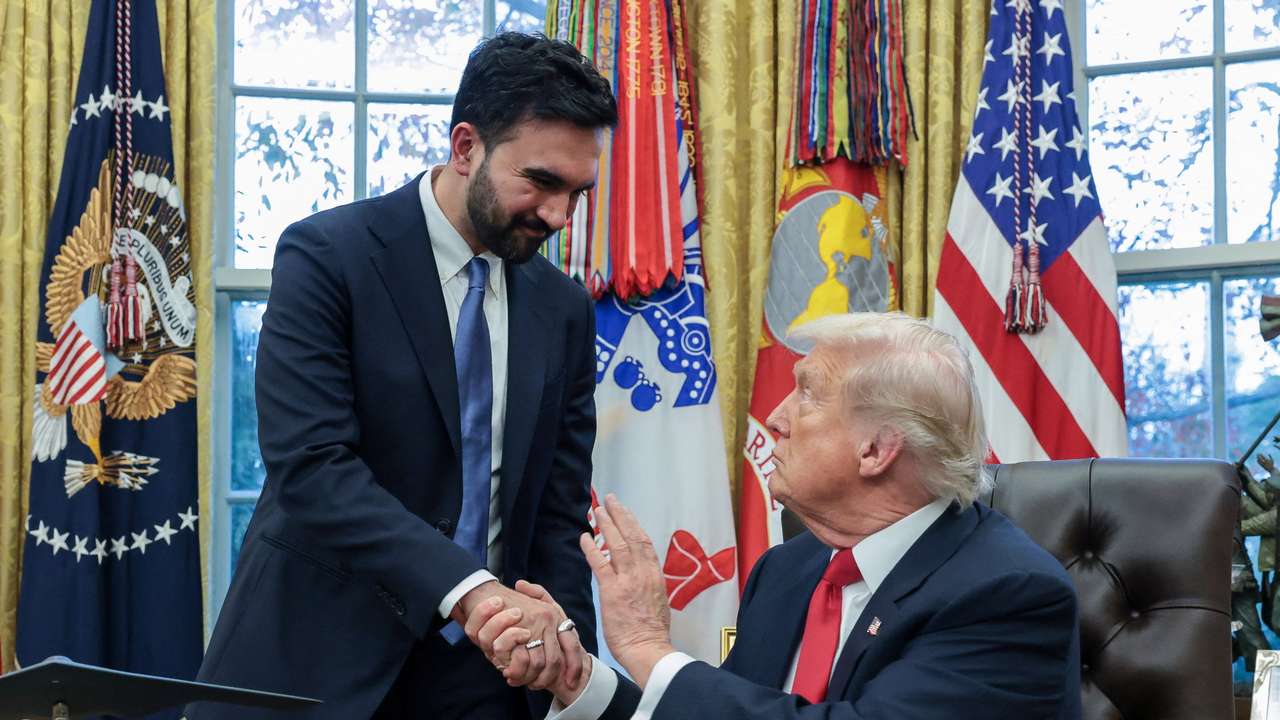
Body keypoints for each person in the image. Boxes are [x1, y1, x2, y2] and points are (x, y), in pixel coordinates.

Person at [188, 32, 617, 720]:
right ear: (466, 146)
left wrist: (563, 656)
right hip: (316, 665)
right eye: (540, 182)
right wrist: (469, 589)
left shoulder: (563, 309)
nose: (559, 216)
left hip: (489, 683)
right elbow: (314, 468)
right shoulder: (328, 256)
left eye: (576, 192)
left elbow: (555, 512)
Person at [472, 312, 1083, 719]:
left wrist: (646, 647)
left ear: (876, 450)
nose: (778, 417)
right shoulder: (789, 570)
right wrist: (578, 680)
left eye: (808, 393)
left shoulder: (1008, 594)